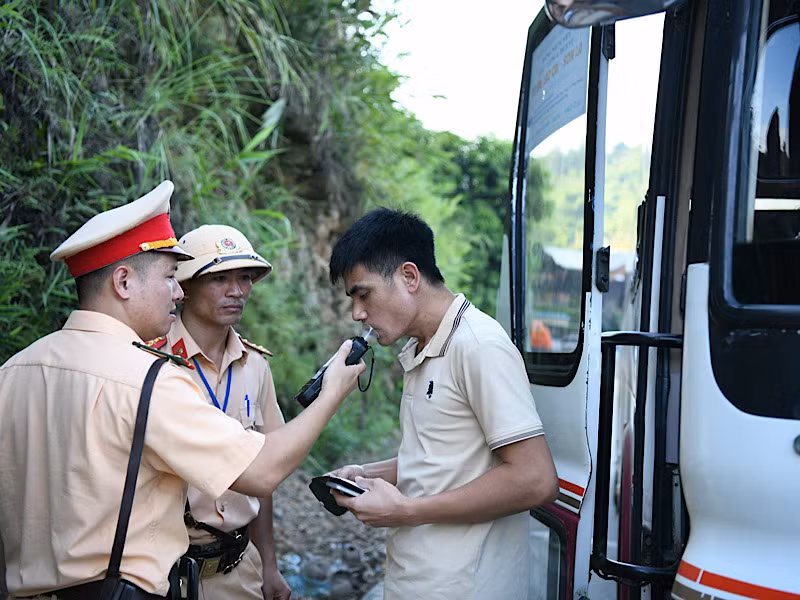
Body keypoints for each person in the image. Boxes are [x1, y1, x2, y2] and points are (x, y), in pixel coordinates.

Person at [0, 181, 364, 600]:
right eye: (171, 276)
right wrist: (333, 391)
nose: (177, 289)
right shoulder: (149, 378)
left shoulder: (14, 370)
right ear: (123, 282)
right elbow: (262, 472)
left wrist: (267, 563)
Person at [327, 208, 559, 600]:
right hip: (418, 581)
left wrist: (406, 511)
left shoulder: (479, 345)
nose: (357, 314)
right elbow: (444, 461)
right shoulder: (424, 348)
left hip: (466, 587)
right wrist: (367, 473)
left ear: (409, 276)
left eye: (364, 294)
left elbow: (535, 480)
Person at [153, 224, 290, 599]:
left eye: (245, 277)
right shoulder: (151, 360)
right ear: (184, 286)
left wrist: (269, 566)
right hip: (161, 575)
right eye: (219, 278)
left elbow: (265, 474)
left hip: (238, 569)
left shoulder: (256, 366)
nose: (237, 291)